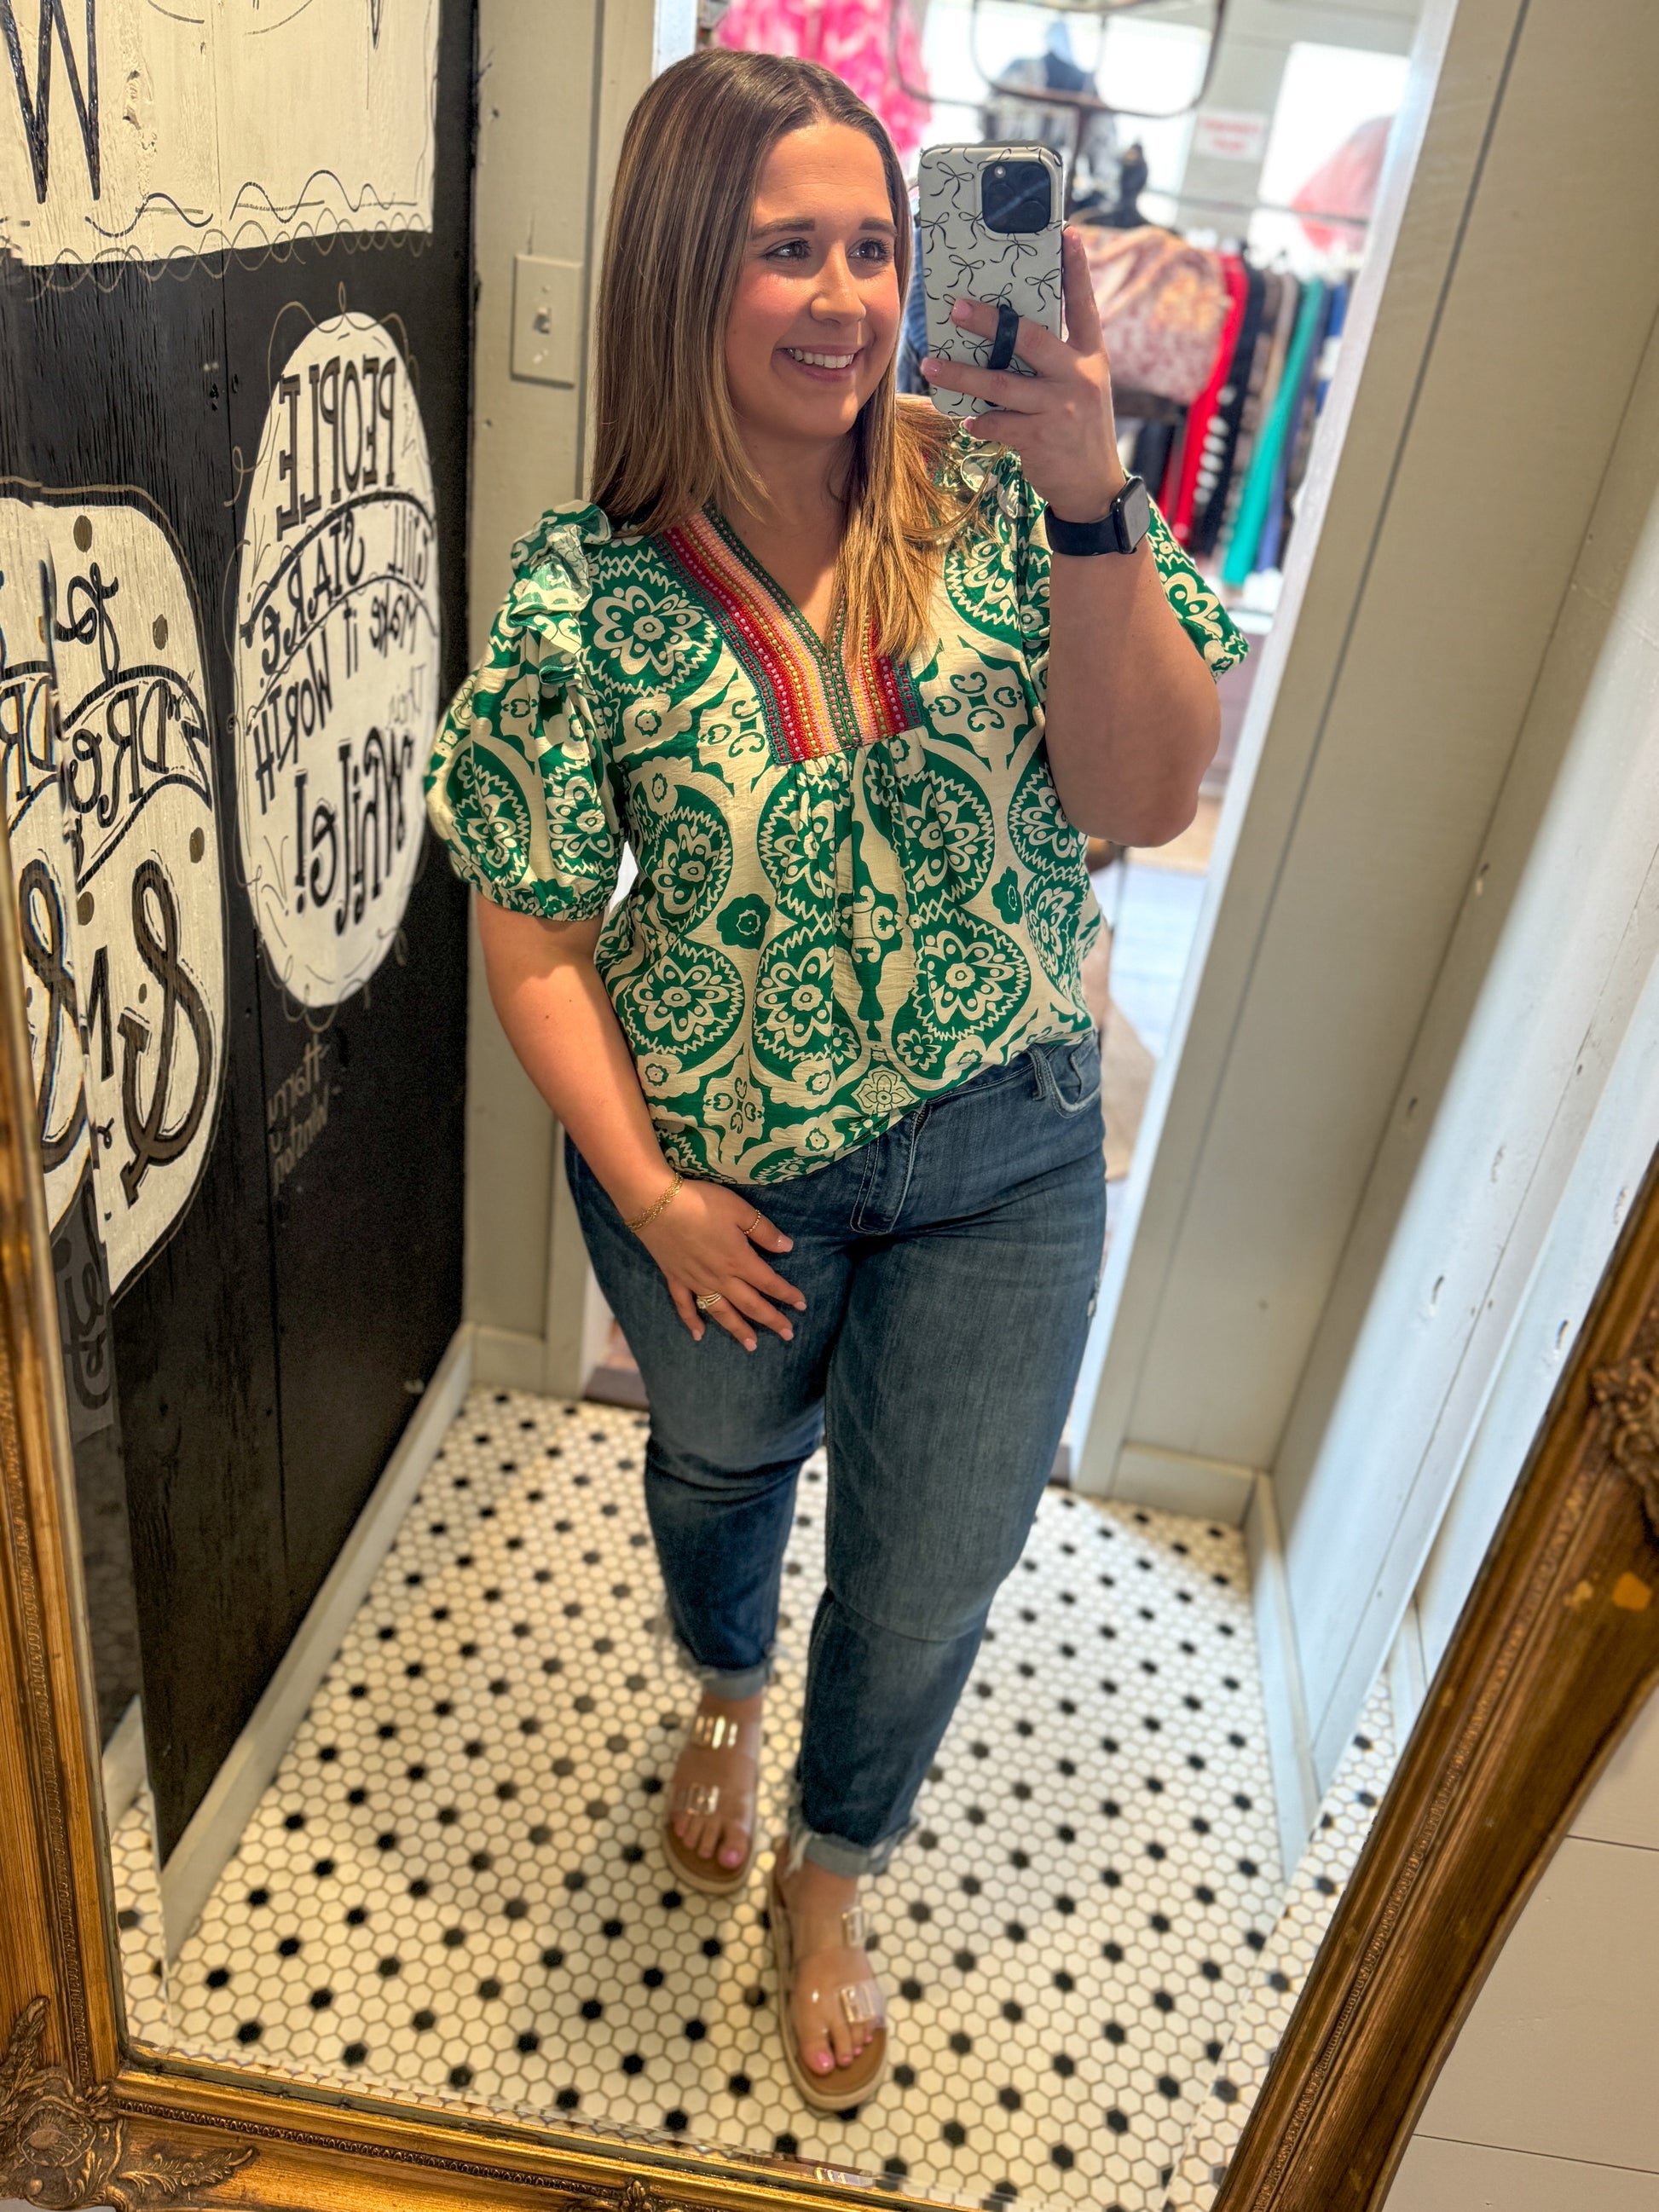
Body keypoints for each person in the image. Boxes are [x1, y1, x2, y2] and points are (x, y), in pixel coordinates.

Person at [425, 48, 1244, 2114]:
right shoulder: (581, 588)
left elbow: (1144, 798)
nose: (846, 297)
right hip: (712, 1174)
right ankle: (721, 1684)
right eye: (785, 249)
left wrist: (1088, 499)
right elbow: (529, 930)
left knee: (932, 1557)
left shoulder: (999, 503)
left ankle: (833, 1865)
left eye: (873, 247)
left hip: (1005, 1156)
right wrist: (655, 1190)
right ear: (685, 274)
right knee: (713, 1470)